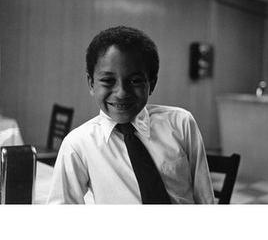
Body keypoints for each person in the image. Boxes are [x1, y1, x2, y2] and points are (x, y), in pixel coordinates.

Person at [47, 26, 215, 204]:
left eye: (135, 81)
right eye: (107, 80)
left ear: (151, 83)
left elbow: (204, 197)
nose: (121, 93)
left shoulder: (181, 123)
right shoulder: (77, 144)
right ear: (91, 84)